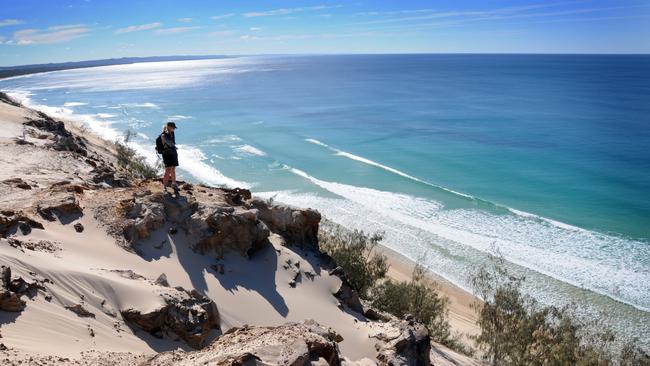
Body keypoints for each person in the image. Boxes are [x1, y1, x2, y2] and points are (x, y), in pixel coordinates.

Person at [161, 121, 179, 195]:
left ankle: (174, 184)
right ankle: (164, 187)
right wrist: (173, 145)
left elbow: (172, 143)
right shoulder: (163, 135)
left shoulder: (172, 133)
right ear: (168, 127)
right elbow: (170, 144)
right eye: (173, 128)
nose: (174, 129)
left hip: (173, 153)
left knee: (173, 169)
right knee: (168, 170)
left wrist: (174, 147)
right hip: (167, 154)